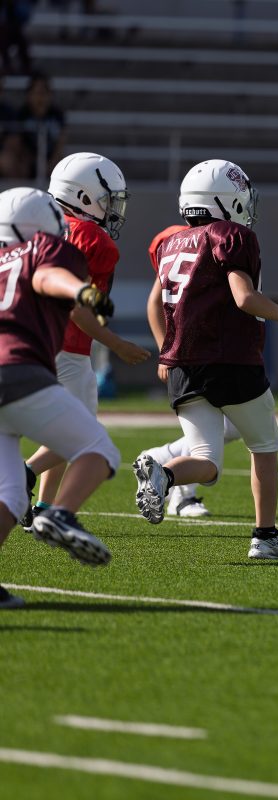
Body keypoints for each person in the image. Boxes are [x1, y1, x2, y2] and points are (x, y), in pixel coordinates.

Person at [133, 160, 278, 559]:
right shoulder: (231, 234)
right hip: (231, 360)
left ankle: (165, 474)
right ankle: (265, 537)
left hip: (183, 364)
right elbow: (244, 297)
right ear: (225, 200)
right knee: (264, 445)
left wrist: (165, 349)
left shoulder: (172, 242)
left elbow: (156, 303)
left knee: (206, 461)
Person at [0, 187, 121, 608]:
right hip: (17, 370)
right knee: (99, 448)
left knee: (11, 494)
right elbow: (46, 276)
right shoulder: (44, 248)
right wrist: (81, 290)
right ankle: (59, 512)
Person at [20, 153, 149, 529]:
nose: (112, 208)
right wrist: (117, 344)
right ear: (83, 195)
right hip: (68, 348)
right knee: (81, 433)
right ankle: (22, 474)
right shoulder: (93, 238)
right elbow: (76, 309)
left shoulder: (37, 224)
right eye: (107, 199)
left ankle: (44, 506)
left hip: (26, 338)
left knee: (61, 428)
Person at [135, 223, 240, 518]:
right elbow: (155, 301)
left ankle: (162, 459)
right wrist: (165, 351)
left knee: (232, 427)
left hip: (215, 353)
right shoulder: (183, 238)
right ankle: (180, 491)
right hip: (196, 355)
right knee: (212, 443)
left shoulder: (218, 236)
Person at [17, 73, 66, 179]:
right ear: (29, 95)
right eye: (37, 93)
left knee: (64, 167)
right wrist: (34, 162)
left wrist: (51, 162)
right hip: (27, 160)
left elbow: (61, 142)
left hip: (51, 159)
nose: (40, 98)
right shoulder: (22, 114)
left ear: (50, 94)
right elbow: (18, 143)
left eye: (44, 93)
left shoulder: (57, 114)